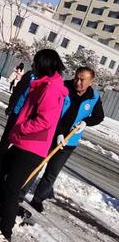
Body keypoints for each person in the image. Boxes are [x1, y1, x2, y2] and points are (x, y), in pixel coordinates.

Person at [0, 49, 67, 242]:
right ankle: (7, 216)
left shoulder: (51, 88)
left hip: (32, 147)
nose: (33, 67)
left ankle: (5, 234)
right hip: (23, 142)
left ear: (44, 65)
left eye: (36, 63)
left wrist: (21, 128)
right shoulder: (43, 84)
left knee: (12, 188)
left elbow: (45, 120)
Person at [29, 66, 104, 212]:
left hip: (69, 141)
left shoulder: (94, 97)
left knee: (52, 172)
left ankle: (38, 199)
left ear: (91, 81)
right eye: (77, 78)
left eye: (83, 80)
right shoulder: (63, 88)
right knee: (35, 165)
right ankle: (20, 193)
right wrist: (59, 132)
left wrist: (85, 122)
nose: (78, 82)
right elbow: (51, 111)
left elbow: (99, 116)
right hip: (49, 134)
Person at [0, 69, 35, 194]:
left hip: (27, 119)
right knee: (6, 140)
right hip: (17, 112)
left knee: (18, 146)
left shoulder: (45, 82)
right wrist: (11, 105)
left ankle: (5, 172)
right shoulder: (30, 75)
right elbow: (18, 90)